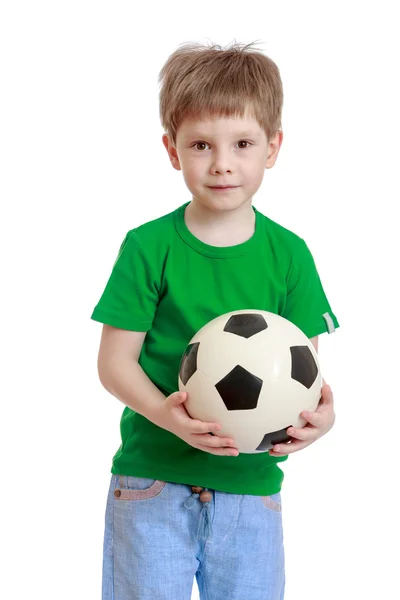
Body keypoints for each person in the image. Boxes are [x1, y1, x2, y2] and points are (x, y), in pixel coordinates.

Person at [91, 40, 340, 600]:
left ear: (273, 148)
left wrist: (320, 420)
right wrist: (166, 414)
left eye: (243, 143)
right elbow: (113, 363)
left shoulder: (290, 254)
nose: (223, 162)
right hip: (153, 481)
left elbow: (304, 373)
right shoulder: (148, 246)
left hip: (250, 491)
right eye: (201, 144)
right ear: (172, 150)